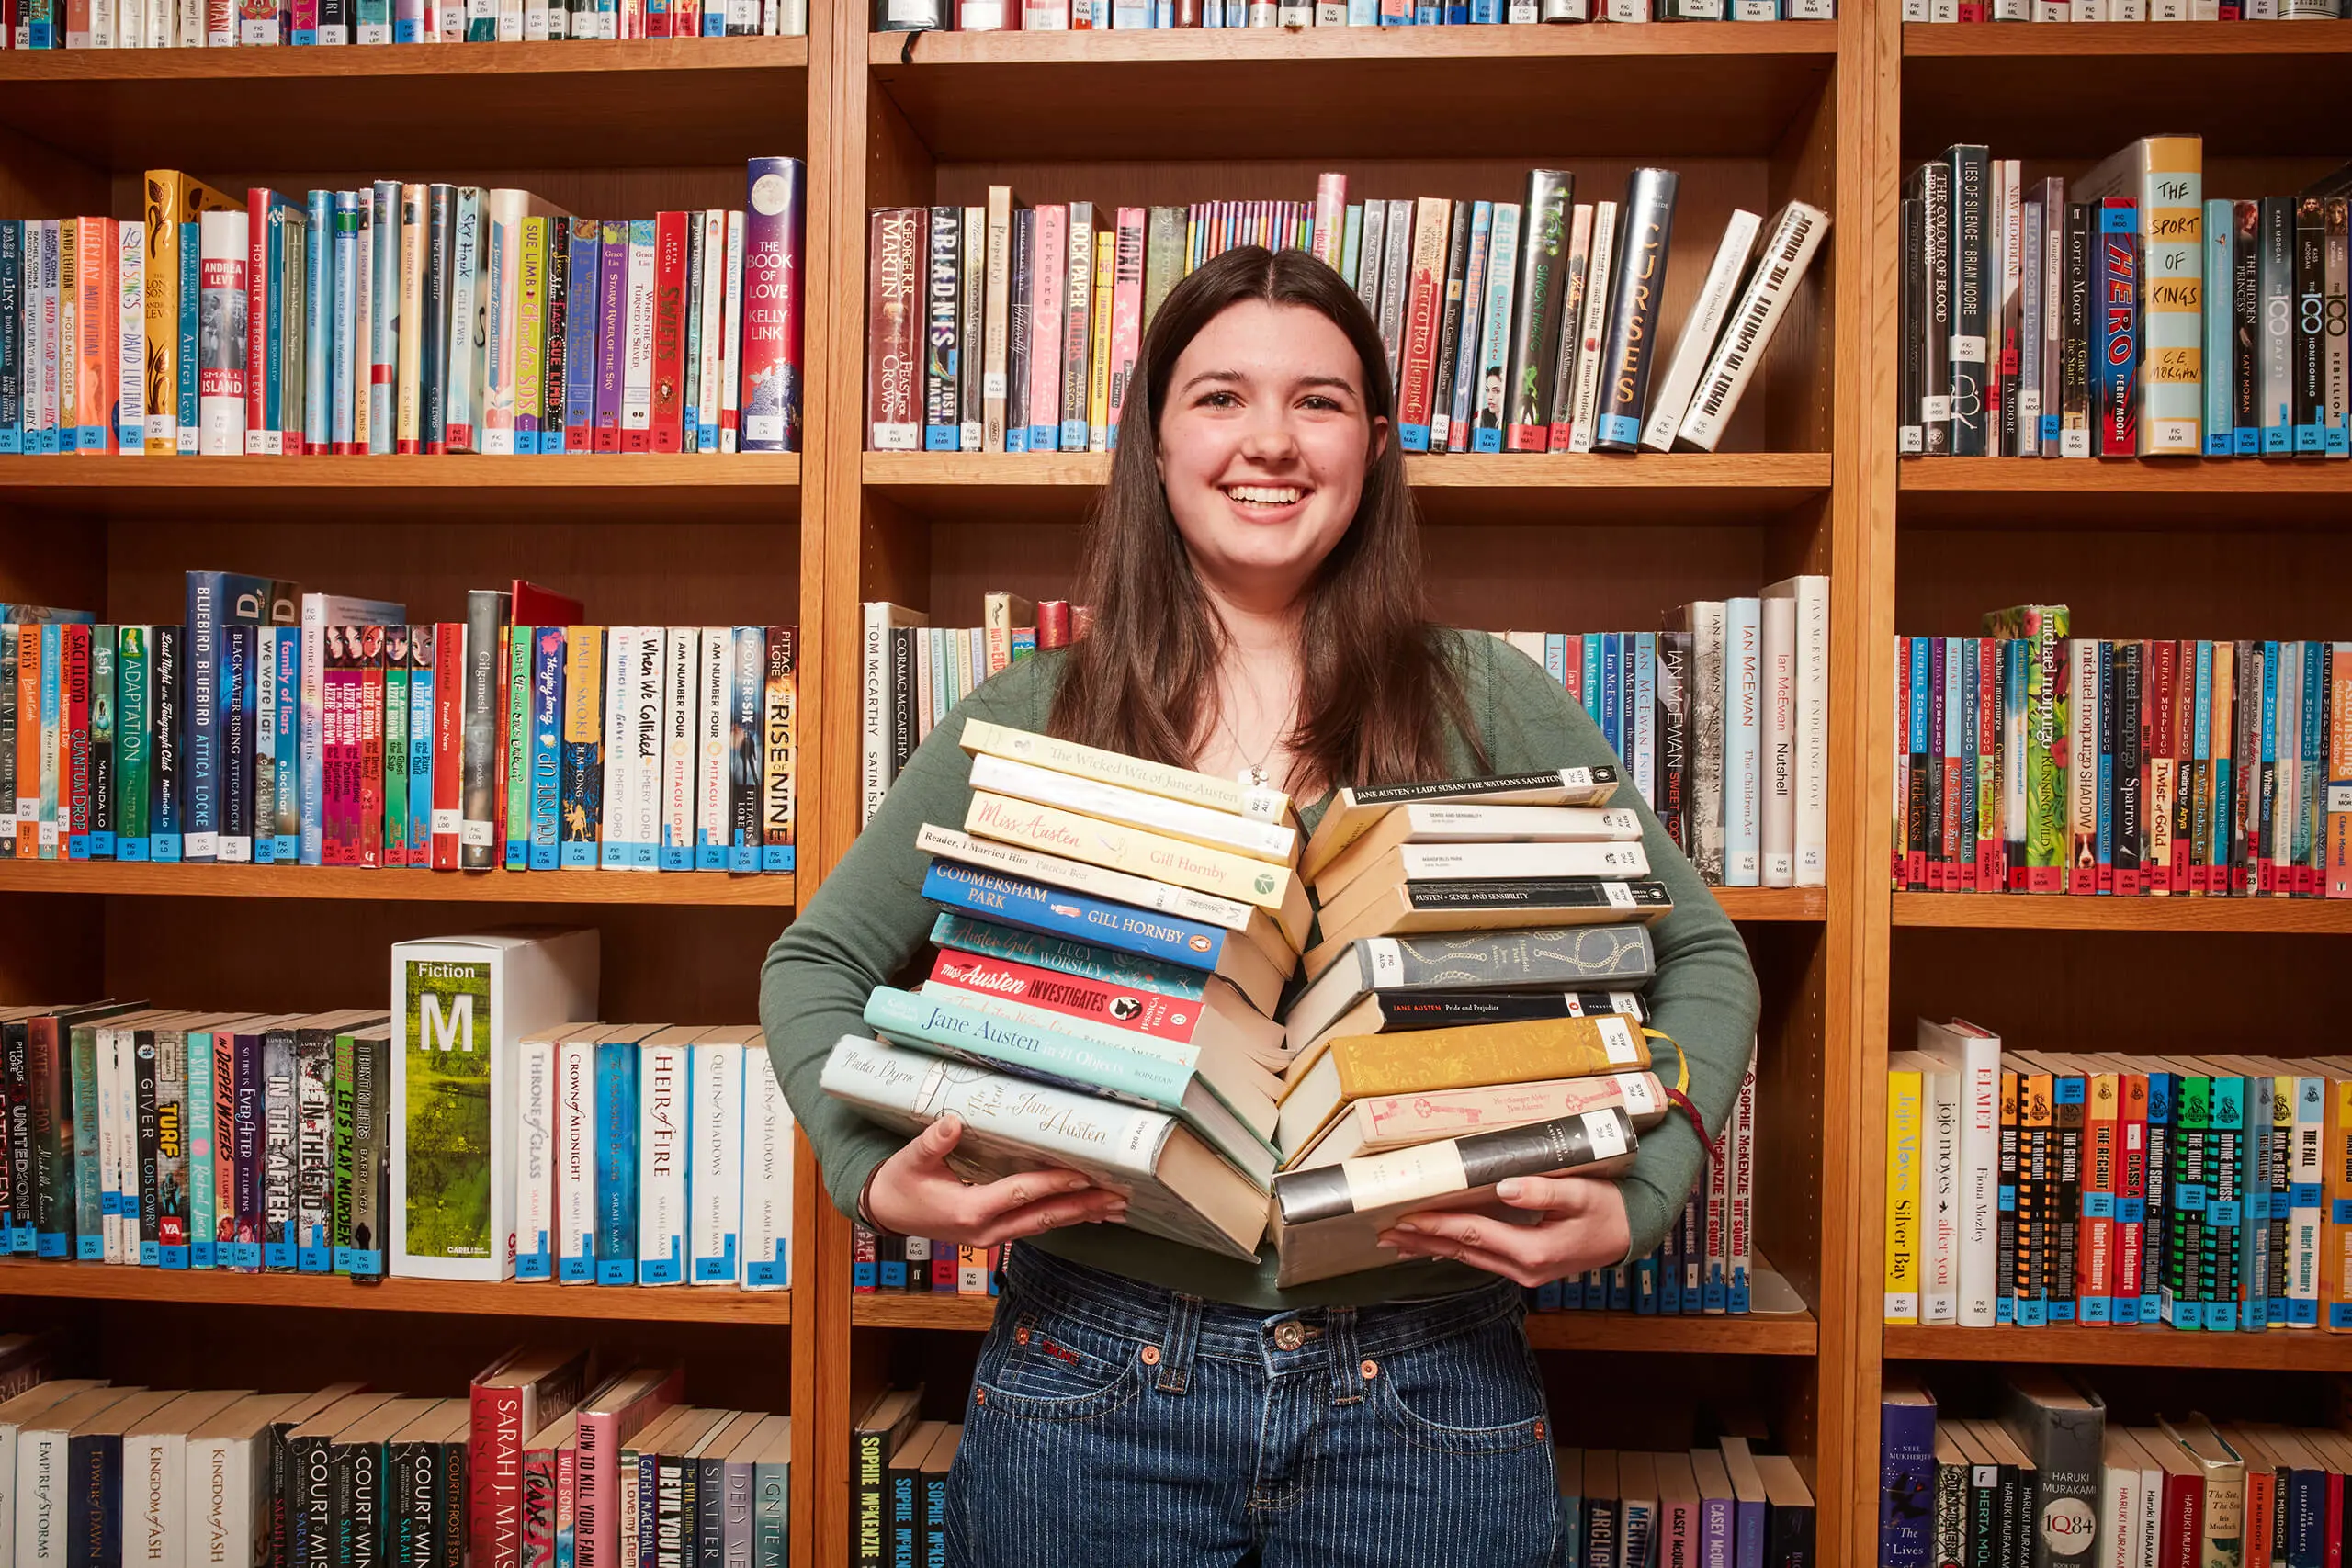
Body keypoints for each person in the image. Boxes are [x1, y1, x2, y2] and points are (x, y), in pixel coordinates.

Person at [760, 245, 1761, 1568]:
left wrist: (1648, 1189)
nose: (1271, 442)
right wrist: (873, 1177)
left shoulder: (1485, 697)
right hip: (1094, 1381)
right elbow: (817, 965)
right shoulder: (1031, 713)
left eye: (1319, 401)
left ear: (1376, 446)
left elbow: (1704, 958)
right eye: (1221, 396)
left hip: (1429, 1390)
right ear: (1156, 438)